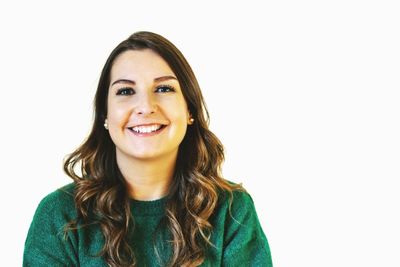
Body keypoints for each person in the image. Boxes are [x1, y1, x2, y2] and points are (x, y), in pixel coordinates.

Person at [23, 31, 273, 267]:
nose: (145, 106)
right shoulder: (59, 215)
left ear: (189, 111)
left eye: (164, 89)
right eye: (125, 91)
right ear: (105, 116)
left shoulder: (231, 209)